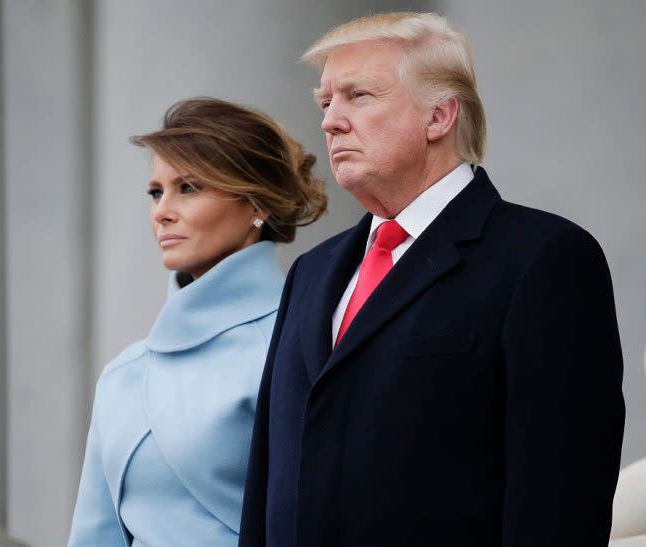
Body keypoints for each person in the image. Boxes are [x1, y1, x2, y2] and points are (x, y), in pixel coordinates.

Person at [240, 12, 624, 547]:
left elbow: (559, 500)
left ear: (440, 116)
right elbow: (267, 476)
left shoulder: (544, 259)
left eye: (358, 96)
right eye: (325, 102)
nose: (330, 121)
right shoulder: (312, 271)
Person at [68, 98, 326, 546]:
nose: (162, 211)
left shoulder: (299, 348)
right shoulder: (123, 375)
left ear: (256, 203)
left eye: (188, 187)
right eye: (156, 192)